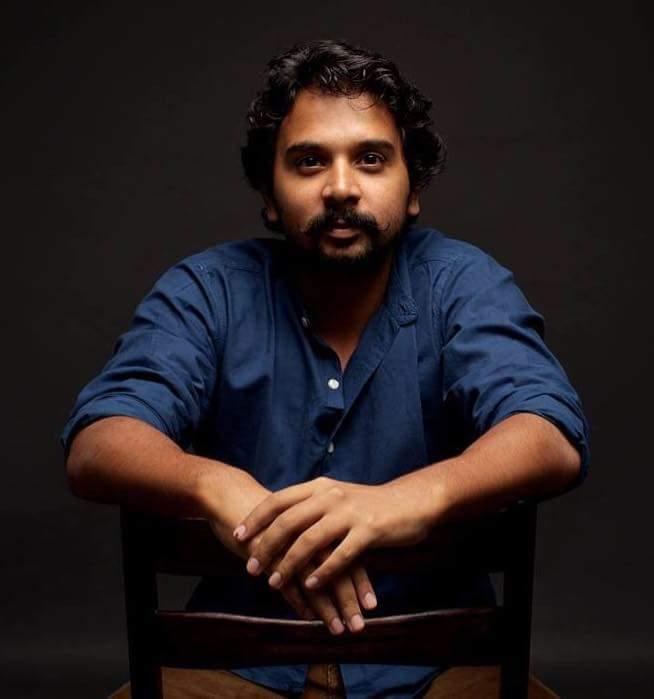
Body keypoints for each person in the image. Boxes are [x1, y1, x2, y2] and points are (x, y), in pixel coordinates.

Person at [61, 39, 589, 698]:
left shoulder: (462, 284)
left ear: (412, 188)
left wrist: (405, 500)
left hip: (442, 671)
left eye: (371, 159)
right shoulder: (207, 291)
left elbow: (548, 434)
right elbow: (99, 440)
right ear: (269, 195)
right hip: (228, 669)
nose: (341, 188)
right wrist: (213, 484)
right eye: (309, 161)